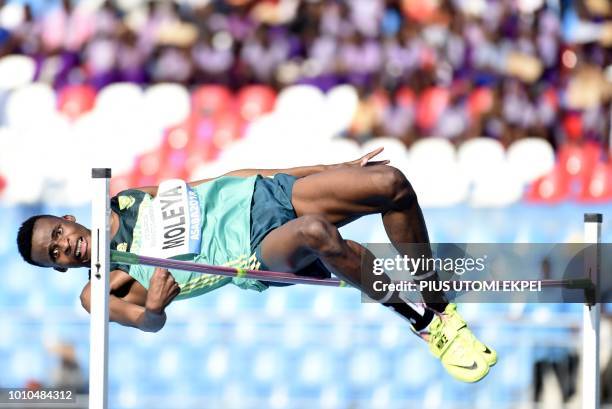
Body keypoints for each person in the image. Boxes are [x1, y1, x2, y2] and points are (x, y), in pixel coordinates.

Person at [16, 148, 496, 383]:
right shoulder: (98, 290)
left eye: (57, 234)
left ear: (67, 219)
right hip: (253, 250)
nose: (65, 247)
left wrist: (328, 167)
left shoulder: (125, 199)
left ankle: (439, 304)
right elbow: (148, 322)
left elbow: (224, 179)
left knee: (391, 183)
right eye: (54, 254)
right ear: (58, 268)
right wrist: (157, 309)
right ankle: (426, 325)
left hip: (264, 194)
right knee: (315, 233)